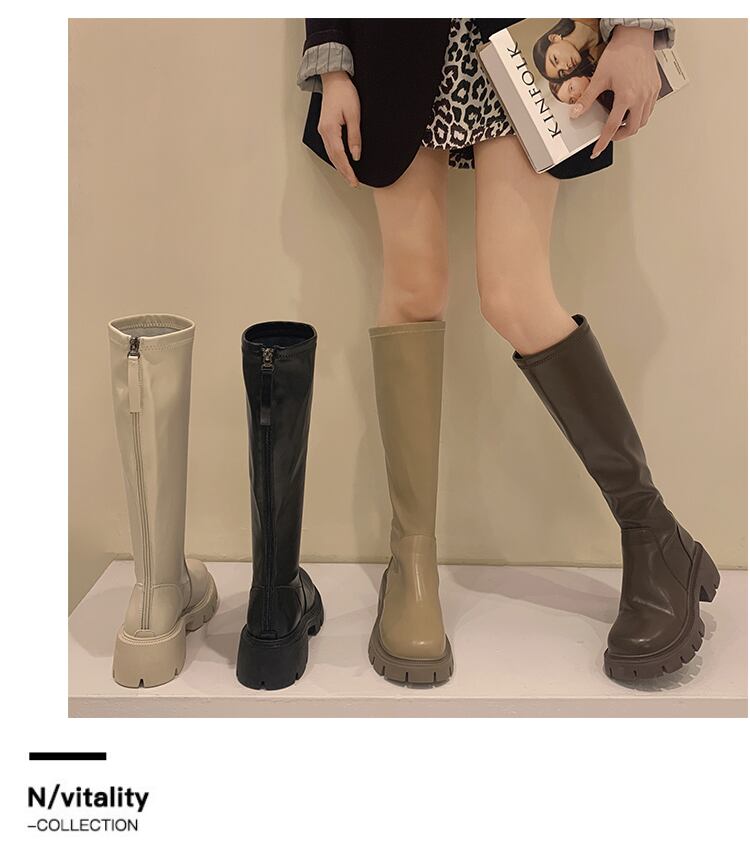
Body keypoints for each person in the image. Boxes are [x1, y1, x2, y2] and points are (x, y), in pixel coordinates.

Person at [297, 18, 720, 685]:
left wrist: (636, 31)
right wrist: (331, 60)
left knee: (514, 296)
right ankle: (411, 562)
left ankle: (653, 531)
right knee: (412, 290)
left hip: (531, 32)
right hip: (394, 37)